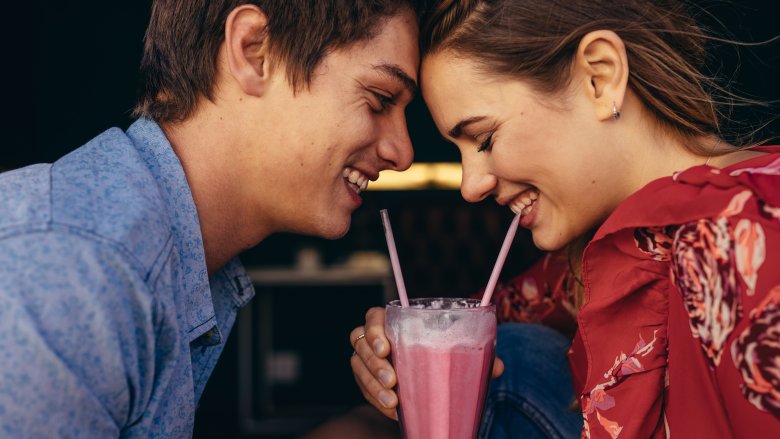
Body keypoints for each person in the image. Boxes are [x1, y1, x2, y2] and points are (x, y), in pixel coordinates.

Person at [348, 0, 780, 437]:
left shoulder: (746, 238)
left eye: (483, 139)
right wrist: (397, 344)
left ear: (600, 77)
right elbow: (482, 317)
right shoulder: (603, 253)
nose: (471, 186)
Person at [0, 0, 421, 437]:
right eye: (380, 99)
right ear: (254, 50)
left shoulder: (158, 260)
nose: (403, 152)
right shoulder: (72, 274)